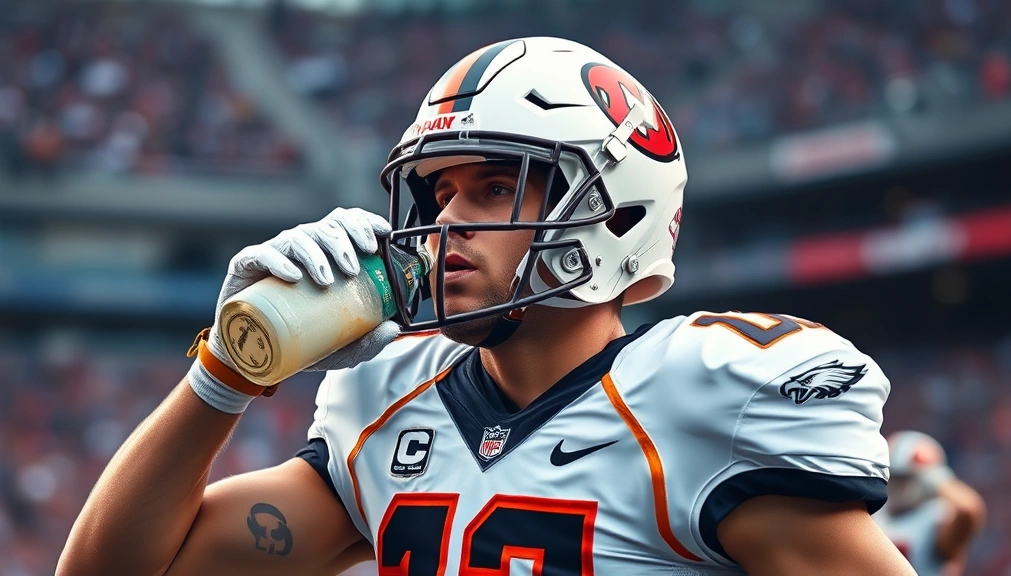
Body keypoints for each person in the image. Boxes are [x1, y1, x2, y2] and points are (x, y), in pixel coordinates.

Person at [59, 37, 915, 575]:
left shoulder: (704, 400)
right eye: (437, 195)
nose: (445, 223)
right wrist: (226, 371)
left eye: (497, 186)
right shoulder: (387, 407)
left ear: (614, 211)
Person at [874, 431, 987, 575]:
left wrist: (940, 481)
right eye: (892, 476)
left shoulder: (938, 519)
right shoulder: (875, 512)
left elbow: (968, 509)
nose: (894, 485)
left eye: (903, 479)